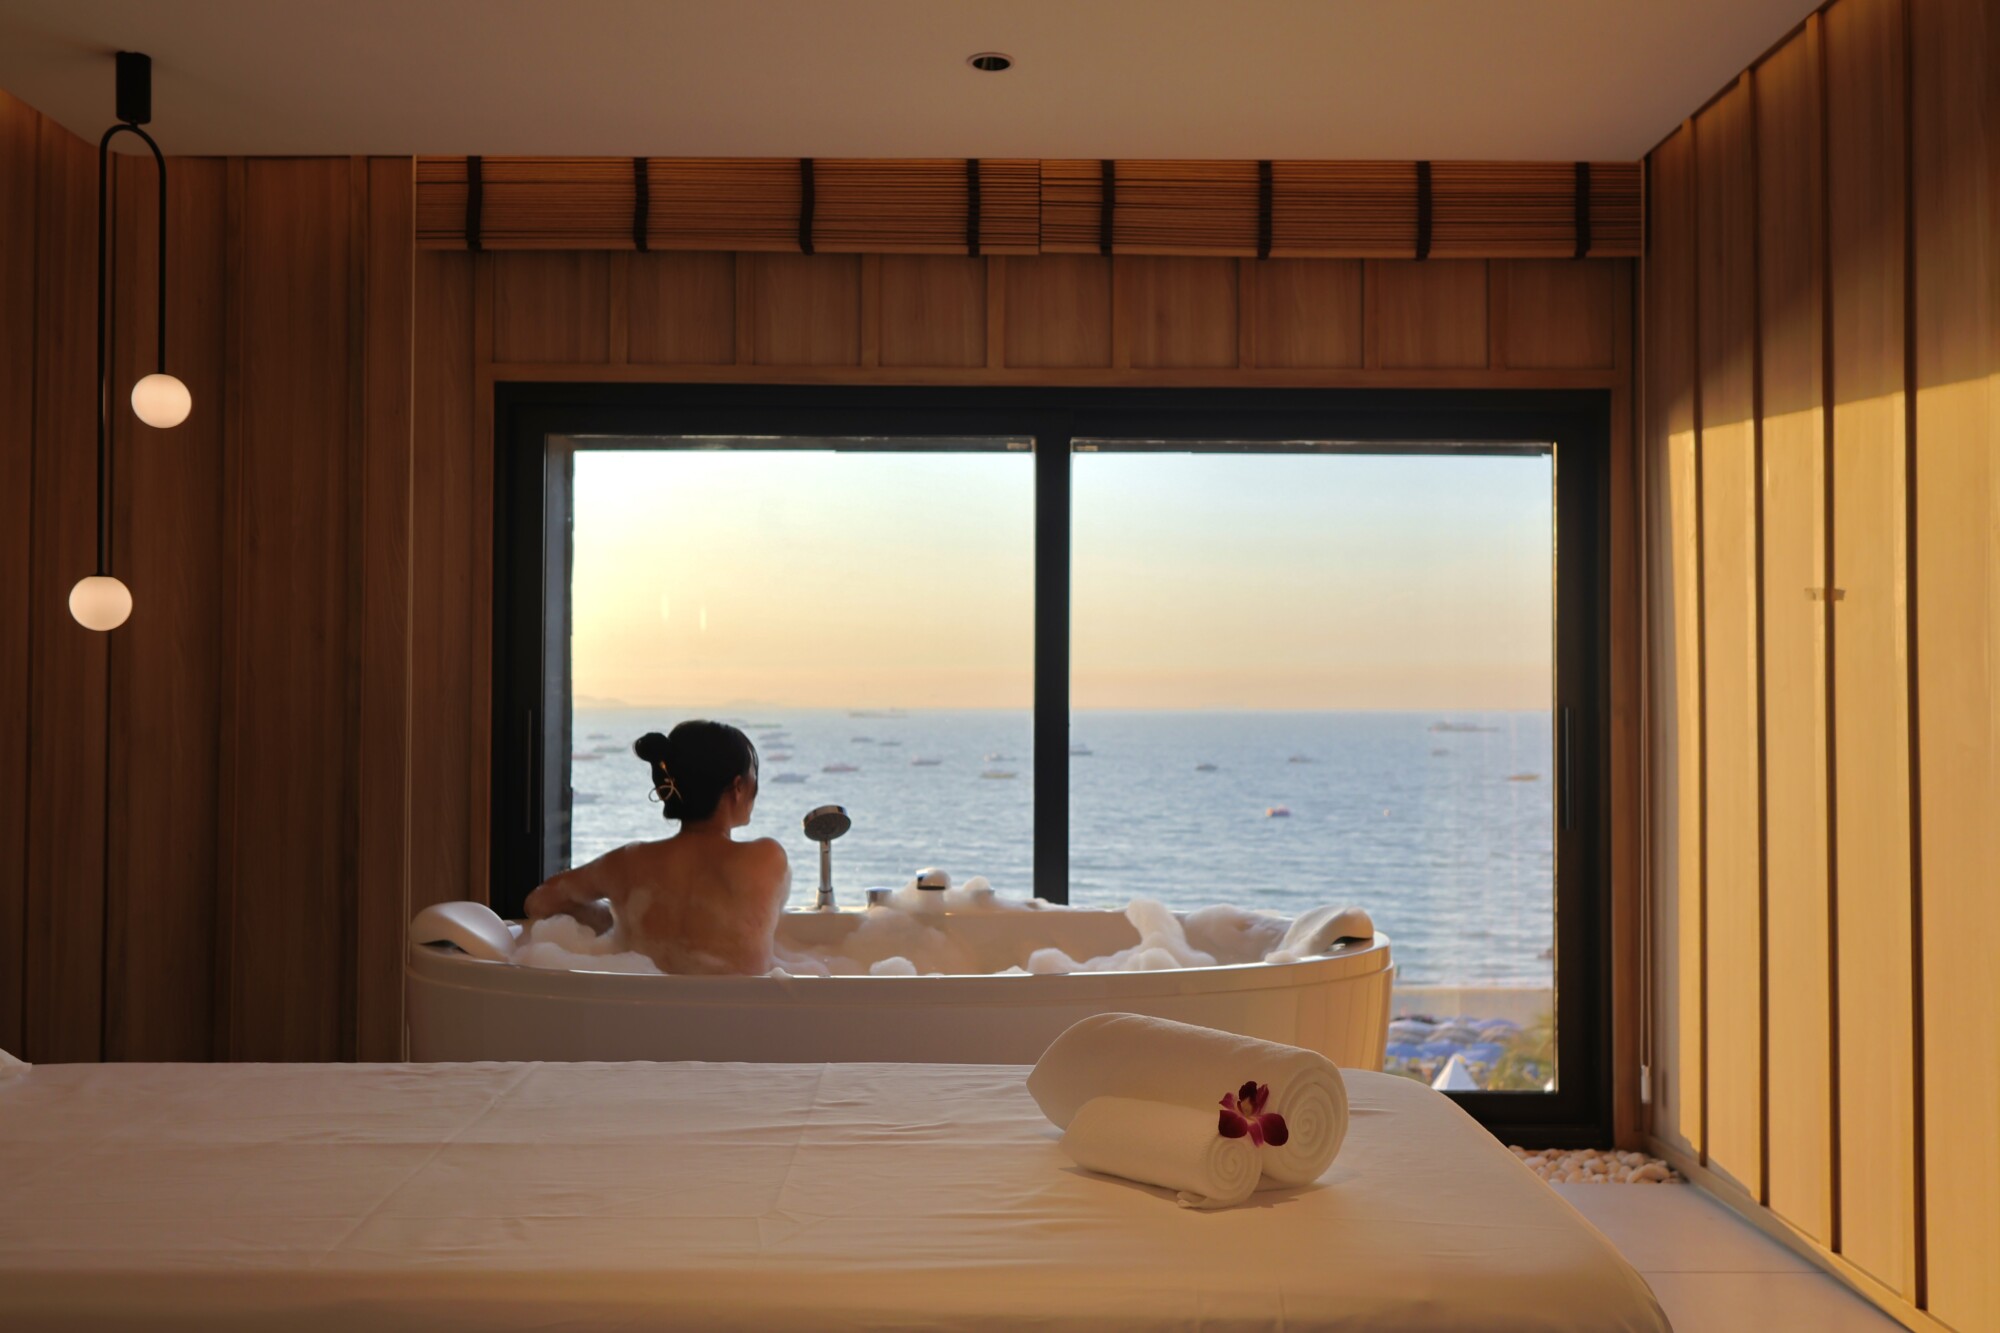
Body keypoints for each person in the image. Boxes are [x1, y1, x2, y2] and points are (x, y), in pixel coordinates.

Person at [525, 721, 790, 974]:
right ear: (738, 787)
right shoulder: (766, 858)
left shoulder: (628, 863)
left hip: (637, 1005)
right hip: (739, 1007)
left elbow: (539, 902)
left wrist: (620, 918)